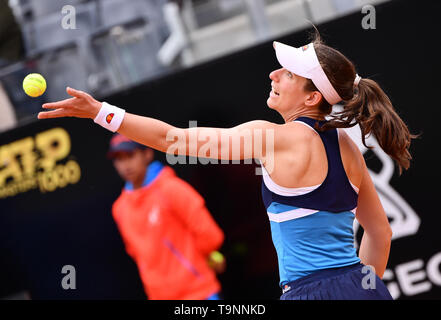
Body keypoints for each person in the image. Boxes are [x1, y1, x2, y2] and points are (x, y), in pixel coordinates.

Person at [38, 34, 416, 300]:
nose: (274, 74)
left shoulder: (273, 137)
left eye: (287, 73)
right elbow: (379, 234)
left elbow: (173, 140)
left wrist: (100, 112)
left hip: (307, 292)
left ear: (312, 96)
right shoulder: (347, 147)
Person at [107, 133, 225, 300]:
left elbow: (209, 234)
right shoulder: (119, 208)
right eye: (118, 159)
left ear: (147, 154)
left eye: (130, 155)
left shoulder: (171, 188)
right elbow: (135, 252)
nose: (125, 164)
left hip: (199, 293)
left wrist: (205, 255)